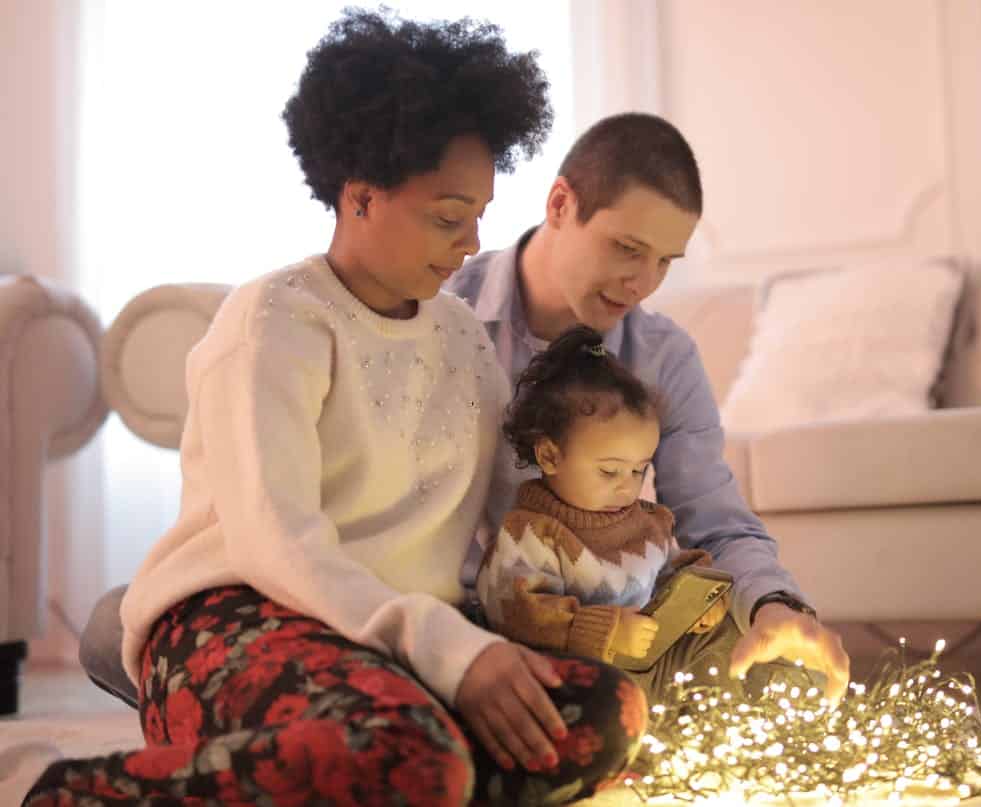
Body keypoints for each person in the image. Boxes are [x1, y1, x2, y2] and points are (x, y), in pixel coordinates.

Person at [27, 10, 643, 806]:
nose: (471, 241)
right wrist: (448, 646)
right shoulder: (274, 321)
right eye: (448, 217)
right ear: (360, 197)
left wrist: (614, 550)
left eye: (481, 215)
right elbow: (274, 541)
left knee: (605, 710)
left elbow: (516, 500)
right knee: (411, 756)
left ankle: (392, 774)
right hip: (242, 611)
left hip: (387, 639)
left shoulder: (459, 334)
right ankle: (66, 789)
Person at [80, 116, 851, 716]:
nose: (642, 280)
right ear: (559, 204)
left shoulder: (661, 358)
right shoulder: (430, 303)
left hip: (533, 611)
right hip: (391, 599)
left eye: (665, 262)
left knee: (623, 709)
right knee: (129, 619)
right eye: (626, 247)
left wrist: (777, 605)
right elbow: (309, 514)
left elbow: (713, 516)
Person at [475, 325, 730, 696]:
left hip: (651, 672)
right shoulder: (531, 534)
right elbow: (520, 615)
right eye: (609, 471)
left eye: (640, 469)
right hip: (574, 684)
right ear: (549, 455)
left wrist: (700, 600)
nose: (627, 485)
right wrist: (603, 630)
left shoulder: (648, 524)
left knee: (733, 645)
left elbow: (673, 570)